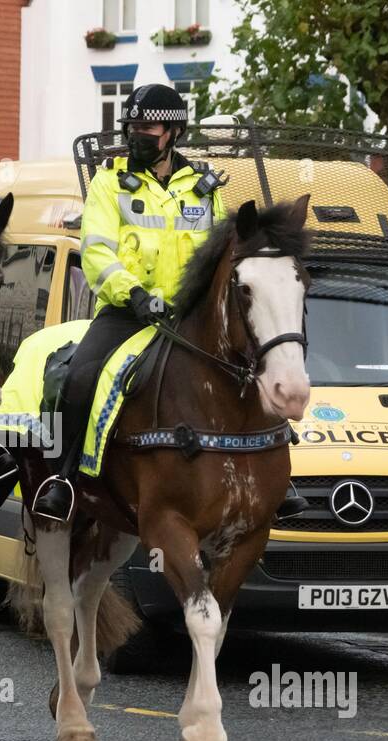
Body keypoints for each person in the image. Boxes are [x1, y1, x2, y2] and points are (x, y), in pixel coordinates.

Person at [30, 84, 235, 523]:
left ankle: (275, 474)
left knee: (253, 364)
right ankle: (63, 478)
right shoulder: (109, 182)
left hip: (189, 316)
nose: (137, 135)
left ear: (174, 131)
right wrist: (135, 294)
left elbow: (222, 255)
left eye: (148, 127)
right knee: (80, 374)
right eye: (132, 126)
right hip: (129, 312)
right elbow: (97, 250)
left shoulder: (204, 187)